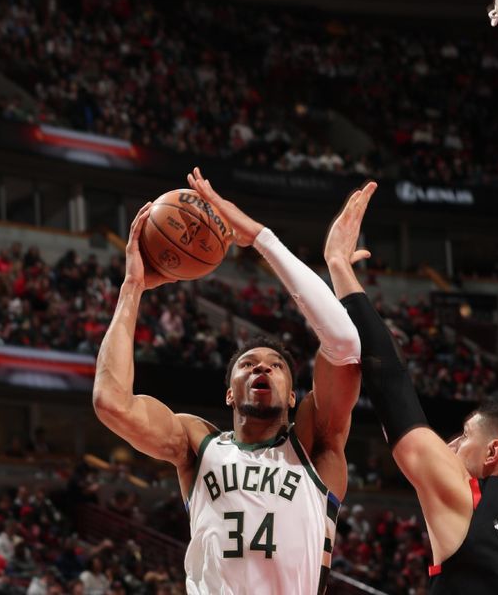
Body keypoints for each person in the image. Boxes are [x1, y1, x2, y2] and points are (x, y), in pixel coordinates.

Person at [93, 167, 362, 593]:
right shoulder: (196, 444)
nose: (261, 368)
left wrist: (284, 249)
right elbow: (112, 403)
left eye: (275, 366)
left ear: (294, 396)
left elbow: (344, 348)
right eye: (249, 364)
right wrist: (132, 289)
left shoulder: (315, 442)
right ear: (228, 392)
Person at [324, 183, 498, 592]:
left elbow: (391, 383)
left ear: (494, 451)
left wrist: (339, 266)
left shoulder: (465, 498)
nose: (450, 444)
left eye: (465, 436)